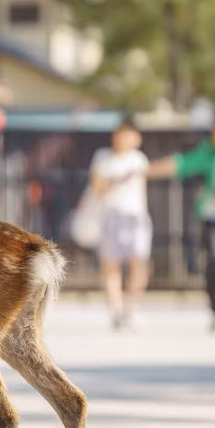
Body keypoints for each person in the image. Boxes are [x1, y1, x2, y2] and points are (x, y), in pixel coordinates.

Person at [147, 115, 215, 332]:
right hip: (212, 214)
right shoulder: (209, 152)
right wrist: (145, 170)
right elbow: (181, 163)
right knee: (214, 259)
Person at [88, 119, 151, 330]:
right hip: (111, 215)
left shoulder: (139, 159)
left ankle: (131, 307)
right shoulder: (103, 157)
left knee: (139, 263)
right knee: (110, 265)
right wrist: (117, 180)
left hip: (136, 217)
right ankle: (115, 309)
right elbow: (97, 189)